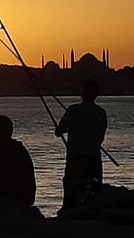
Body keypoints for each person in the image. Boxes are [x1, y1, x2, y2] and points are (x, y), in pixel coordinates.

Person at [55, 79, 108, 209]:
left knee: (71, 189)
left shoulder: (73, 110)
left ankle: (69, 213)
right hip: (94, 157)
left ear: (83, 93)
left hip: (75, 157)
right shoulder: (101, 112)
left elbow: (59, 131)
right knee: (94, 190)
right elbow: (101, 137)